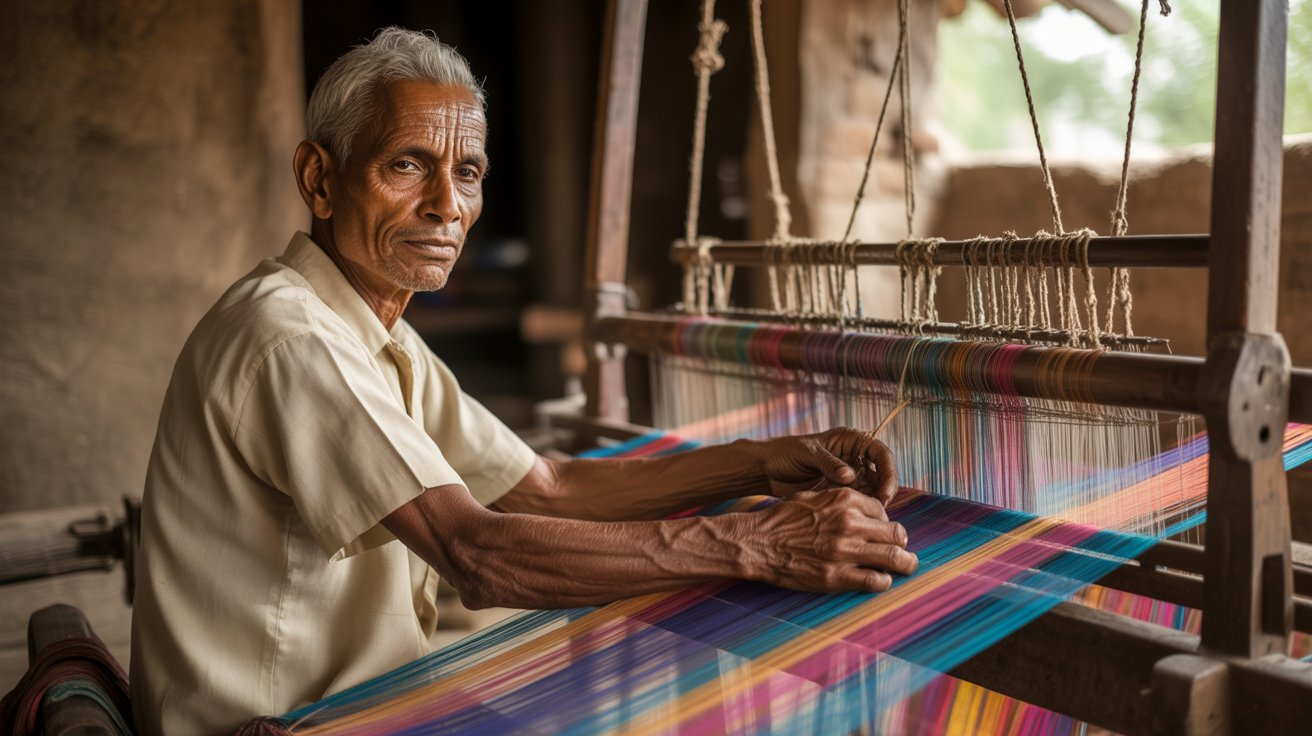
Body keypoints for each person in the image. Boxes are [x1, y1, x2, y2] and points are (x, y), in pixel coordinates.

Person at [129, 27, 918, 735]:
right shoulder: (290, 337)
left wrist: (760, 463)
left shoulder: (376, 339)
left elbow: (544, 488)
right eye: (407, 164)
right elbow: (479, 553)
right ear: (320, 178)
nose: (446, 205)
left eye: (466, 172)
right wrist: (760, 543)